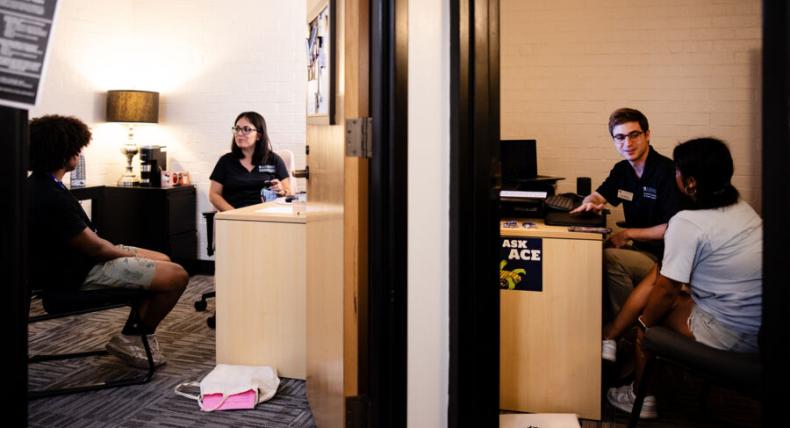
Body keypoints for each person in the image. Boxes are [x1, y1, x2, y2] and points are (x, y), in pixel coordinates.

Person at [602, 137, 762, 419]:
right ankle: (612, 336)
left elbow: (666, 291)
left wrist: (644, 322)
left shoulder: (687, 223)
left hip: (730, 334)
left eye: (677, 171)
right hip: (757, 326)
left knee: (648, 324)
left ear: (690, 183)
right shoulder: (741, 208)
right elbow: (664, 276)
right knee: (657, 275)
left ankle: (642, 396)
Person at [28, 115, 189, 369]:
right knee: (176, 275)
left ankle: (133, 334)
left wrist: (129, 254)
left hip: (82, 259)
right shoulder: (50, 197)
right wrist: (129, 256)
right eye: (77, 147)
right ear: (62, 151)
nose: (80, 153)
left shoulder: (43, 185)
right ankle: (135, 336)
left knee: (164, 261)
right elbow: (97, 248)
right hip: (78, 272)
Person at [571, 108, 681, 326]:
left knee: (609, 258)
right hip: (641, 251)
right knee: (591, 253)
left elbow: (675, 228)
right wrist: (589, 203)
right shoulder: (622, 170)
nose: (627, 144)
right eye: (620, 137)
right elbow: (598, 195)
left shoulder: (667, 171)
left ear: (647, 135)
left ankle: (625, 329)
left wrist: (628, 234)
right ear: (614, 140)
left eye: (634, 135)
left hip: (666, 259)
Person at [209, 111, 291, 211]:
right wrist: (235, 214)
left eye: (246, 129)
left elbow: (289, 192)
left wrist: (282, 191)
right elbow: (214, 194)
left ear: (259, 135)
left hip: (267, 216)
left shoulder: (274, 160)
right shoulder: (225, 161)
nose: (239, 133)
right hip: (234, 216)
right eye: (237, 129)